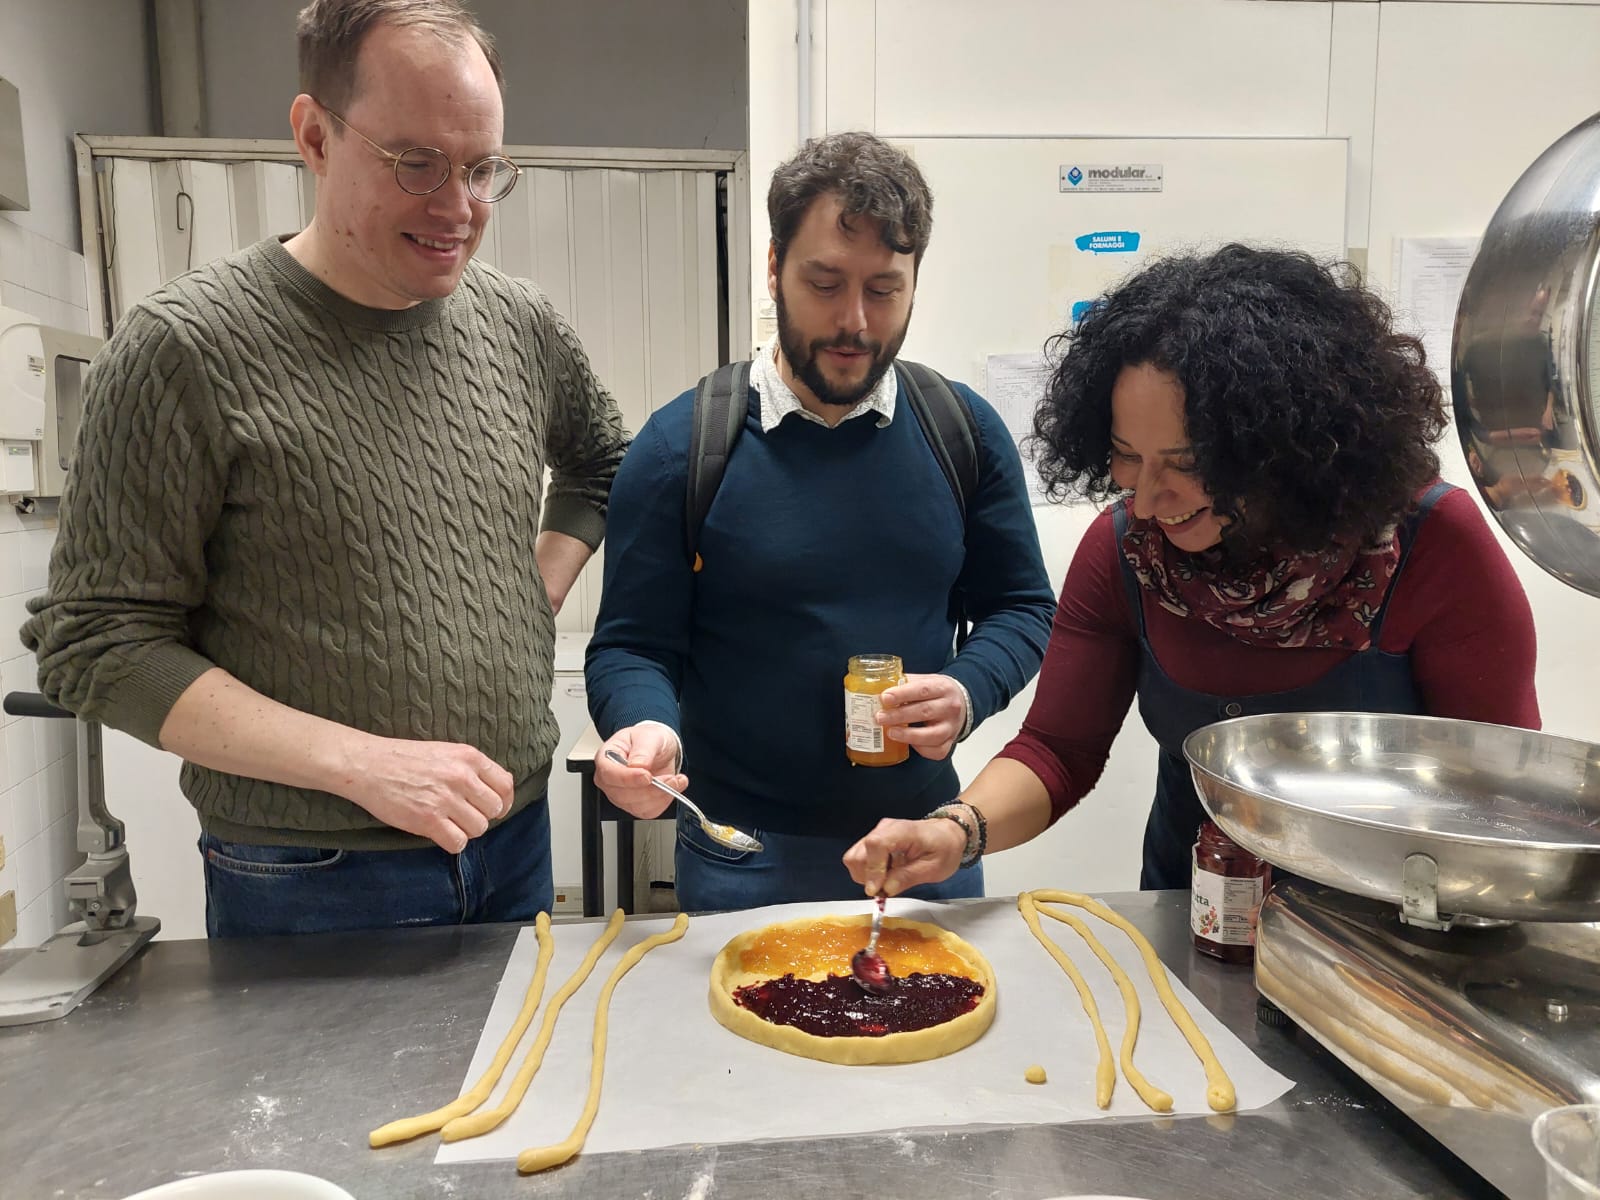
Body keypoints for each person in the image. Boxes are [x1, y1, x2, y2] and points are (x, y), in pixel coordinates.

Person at [21, 0, 628, 937]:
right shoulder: (184, 349)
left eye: (481, 169)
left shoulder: (520, 324)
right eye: (417, 163)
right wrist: (363, 764)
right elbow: (95, 643)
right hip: (311, 875)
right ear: (314, 135)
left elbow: (601, 461)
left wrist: (528, 592)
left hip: (513, 841)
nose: (459, 208)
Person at [843, 243, 1540, 897]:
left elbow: (1502, 797)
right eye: (1127, 456)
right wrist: (955, 830)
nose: (1148, 500)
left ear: (1288, 449)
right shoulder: (1127, 550)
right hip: (1192, 912)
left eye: (1188, 465)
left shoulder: (1428, 546)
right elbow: (1058, 748)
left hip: (1389, 929)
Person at [584, 132, 1055, 912]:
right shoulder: (679, 449)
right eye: (825, 283)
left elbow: (1022, 605)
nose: (854, 322)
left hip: (923, 847)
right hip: (741, 857)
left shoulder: (963, 432)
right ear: (774, 268)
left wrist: (968, 689)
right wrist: (645, 725)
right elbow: (632, 644)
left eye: (885, 288)